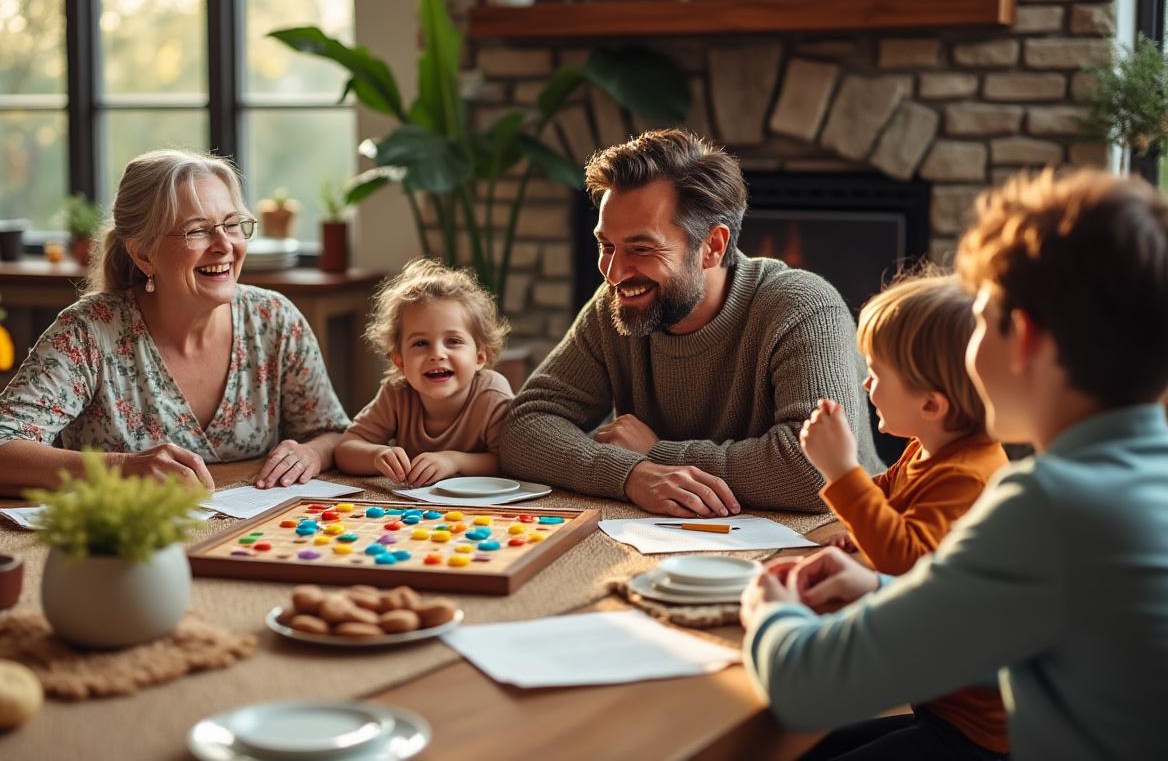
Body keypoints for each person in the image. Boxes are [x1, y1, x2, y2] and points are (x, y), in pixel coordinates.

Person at [740, 168, 1168, 760]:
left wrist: (768, 611)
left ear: (1023, 337)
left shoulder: (1047, 504)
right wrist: (881, 588)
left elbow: (806, 688)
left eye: (980, 319)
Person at [501, 129, 881, 516]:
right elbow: (524, 425)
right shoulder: (616, 306)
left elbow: (815, 470)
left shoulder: (803, 308)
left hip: (848, 540)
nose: (613, 273)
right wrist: (633, 474)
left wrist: (656, 452)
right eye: (606, 245)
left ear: (712, 247)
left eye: (641, 248)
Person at [0, 150, 349, 495]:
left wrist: (311, 452)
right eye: (197, 230)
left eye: (232, 225)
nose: (224, 245)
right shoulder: (89, 332)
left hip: (246, 536)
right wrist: (124, 469)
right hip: (123, 548)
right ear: (144, 254)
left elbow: (332, 432)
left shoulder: (274, 320)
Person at [796, 272, 1010, 758]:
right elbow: (886, 512)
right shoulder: (926, 451)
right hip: (939, 703)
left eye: (876, 372)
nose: (864, 383)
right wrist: (859, 531)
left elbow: (904, 560)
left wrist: (841, 469)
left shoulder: (968, 478)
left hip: (978, 737)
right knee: (802, 745)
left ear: (931, 404)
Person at [335, 258, 513, 486]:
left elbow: (509, 461)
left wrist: (454, 461)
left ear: (480, 357)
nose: (437, 354)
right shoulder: (397, 392)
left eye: (453, 341)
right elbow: (346, 450)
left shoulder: (492, 395)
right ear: (399, 360)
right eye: (420, 343)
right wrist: (376, 456)